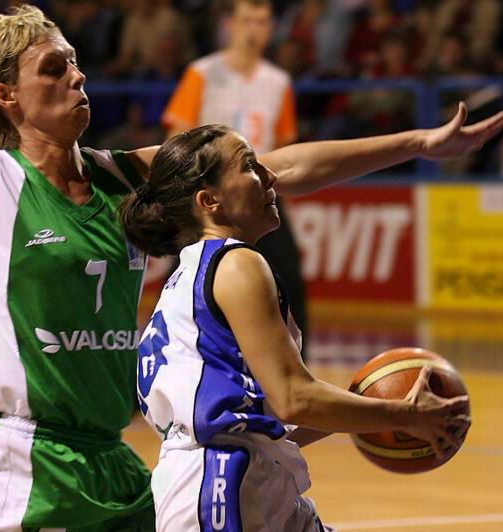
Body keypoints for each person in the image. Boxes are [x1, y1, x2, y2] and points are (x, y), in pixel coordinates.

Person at [0, 5, 503, 529]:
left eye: (74, 62)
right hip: (28, 457)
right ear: (6, 95)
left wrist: (419, 144)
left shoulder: (120, 176)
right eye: (54, 68)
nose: (77, 75)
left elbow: (281, 167)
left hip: (117, 460)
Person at [119, 124, 482, 531]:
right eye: (250, 166)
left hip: (234, 479)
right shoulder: (236, 264)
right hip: (221, 492)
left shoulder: (187, 279)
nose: (270, 175)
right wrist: (403, 415)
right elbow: (293, 397)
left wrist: (365, 407)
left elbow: (267, 420)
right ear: (210, 201)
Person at [162, 0, 309, 357]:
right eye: (247, 21)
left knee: (289, 277)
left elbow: (284, 145)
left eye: (262, 22)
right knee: (184, 275)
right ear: (230, 25)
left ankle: (297, 365)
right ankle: (165, 351)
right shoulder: (203, 73)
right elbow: (177, 137)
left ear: (271, 29)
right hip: (210, 195)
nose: (253, 30)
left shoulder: (277, 82)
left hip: (259, 192)